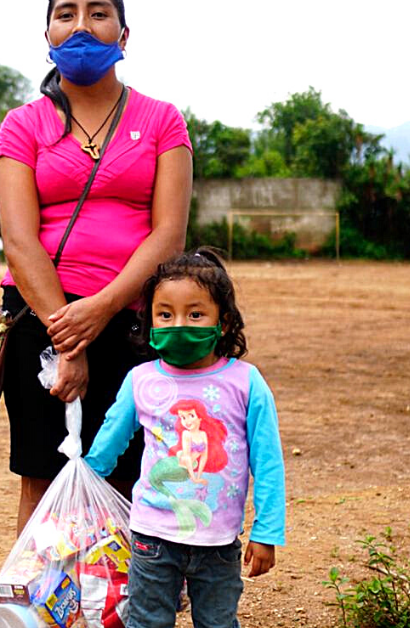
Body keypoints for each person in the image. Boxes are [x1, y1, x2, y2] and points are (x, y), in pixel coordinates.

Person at [0, 0, 193, 533]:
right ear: (48, 35)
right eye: (66, 14)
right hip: (40, 322)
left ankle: (123, 610)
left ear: (124, 35)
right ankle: (40, 613)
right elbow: (19, 239)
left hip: (133, 322)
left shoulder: (162, 121)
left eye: (98, 13)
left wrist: (100, 310)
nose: (81, 25)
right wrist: (68, 336)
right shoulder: (22, 126)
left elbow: (168, 235)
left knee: (129, 472)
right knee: (42, 475)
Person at [84, 249, 286, 628]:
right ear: (150, 321)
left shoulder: (246, 382)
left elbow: (268, 461)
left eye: (195, 314)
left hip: (220, 542)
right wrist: (85, 480)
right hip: (151, 538)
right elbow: (109, 441)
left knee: (217, 623)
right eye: (165, 314)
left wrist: (267, 531)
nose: (179, 324)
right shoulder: (141, 379)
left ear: (223, 323)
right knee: (147, 621)